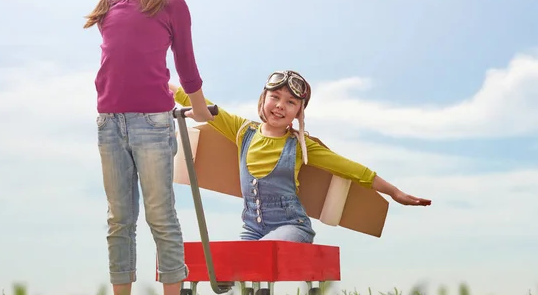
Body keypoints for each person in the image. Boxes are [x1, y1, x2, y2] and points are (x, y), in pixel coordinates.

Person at [84, 0, 214, 295]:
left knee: (161, 217)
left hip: (154, 126)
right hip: (110, 125)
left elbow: (187, 64)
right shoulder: (107, 8)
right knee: (119, 220)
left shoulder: (172, 5)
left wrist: (199, 109)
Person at [170, 70, 431, 243]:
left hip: (292, 226)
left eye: (291, 102)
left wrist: (394, 192)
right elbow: (195, 99)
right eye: (275, 97)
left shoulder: (301, 145)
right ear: (263, 99)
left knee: (262, 253)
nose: (281, 105)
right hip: (252, 228)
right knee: (239, 264)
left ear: (299, 113)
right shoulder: (242, 130)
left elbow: (352, 169)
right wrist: (154, 77)